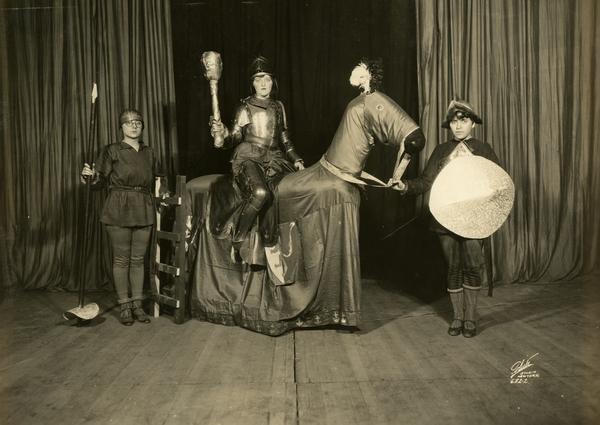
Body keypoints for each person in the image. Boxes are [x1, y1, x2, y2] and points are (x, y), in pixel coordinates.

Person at [392, 100, 501, 337]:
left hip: (474, 219)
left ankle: (470, 318)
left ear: (473, 124)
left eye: (463, 120)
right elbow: (426, 182)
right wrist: (405, 186)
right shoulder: (441, 151)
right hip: (445, 218)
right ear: (449, 125)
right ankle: (457, 317)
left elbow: (497, 182)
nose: (458, 126)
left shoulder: (483, 149)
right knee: (453, 268)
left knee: (473, 266)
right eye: (453, 121)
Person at [209, 56, 304, 260]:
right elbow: (234, 138)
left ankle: (278, 244)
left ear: (273, 82)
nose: (263, 83)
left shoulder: (278, 106)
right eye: (258, 79)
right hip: (249, 156)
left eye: (267, 79)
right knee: (260, 193)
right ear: (252, 83)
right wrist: (222, 133)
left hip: (276, 159)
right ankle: (237, 241)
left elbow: (285, 139)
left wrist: (296, 159)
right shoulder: (245, 107)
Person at [80, 109, 161, 326]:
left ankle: (137, 305)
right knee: (121, 260)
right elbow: (98, 182)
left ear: (142, 127)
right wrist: (90, 176)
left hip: (143, 207)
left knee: (138, 260)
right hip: (118, 207)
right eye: (128, 122)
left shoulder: (149, 152)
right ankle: (125, 306)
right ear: (121, 127)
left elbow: (159, 180)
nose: (134, 126)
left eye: (138, 122)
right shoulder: (112, 150)